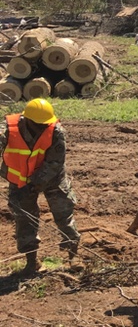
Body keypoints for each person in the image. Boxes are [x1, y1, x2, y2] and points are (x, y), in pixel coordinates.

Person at [1, 98, 80, 275]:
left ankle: (73, 256)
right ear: (28, 120)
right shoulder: (8, 128)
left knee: (64, 214)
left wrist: (35, 183)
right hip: (20, 181)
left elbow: (54, 163)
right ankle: (31, 262)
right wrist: (27, 184)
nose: (45, 127)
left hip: (52, 178)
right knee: (25, 219)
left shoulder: (56, 131)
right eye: (40, 125)